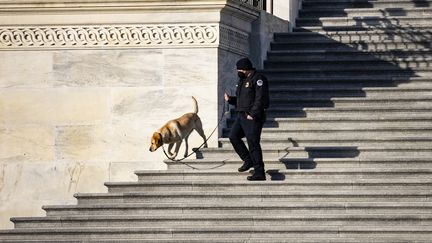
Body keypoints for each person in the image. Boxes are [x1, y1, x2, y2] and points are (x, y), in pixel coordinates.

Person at [224, 57, 269, 181]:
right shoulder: (242, 80)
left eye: (239, 69)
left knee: (253, 143)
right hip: (241, 115)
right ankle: (248, 160)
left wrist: (253, 113)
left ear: (245, 69)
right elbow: (242, 100)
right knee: (233, 136)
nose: (238, 71)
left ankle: (259, 172)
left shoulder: (258, 79)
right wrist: (230, 99)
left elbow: (261, 99)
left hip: (252, 117)